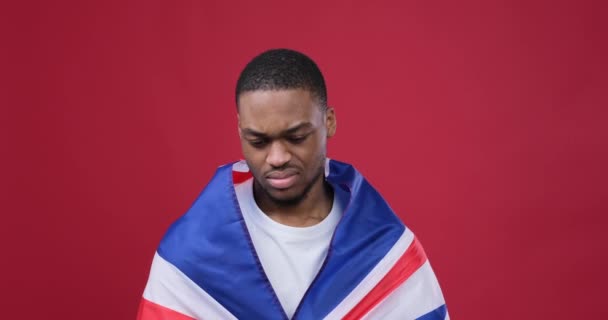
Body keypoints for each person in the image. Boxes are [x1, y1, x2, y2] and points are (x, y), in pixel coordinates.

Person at [137, 49, 449, 320]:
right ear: (240, 129)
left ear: (328, 122)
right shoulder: (191, 251)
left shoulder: (386, 252)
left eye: (296, 137)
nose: (277, 157)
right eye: (258, 141)